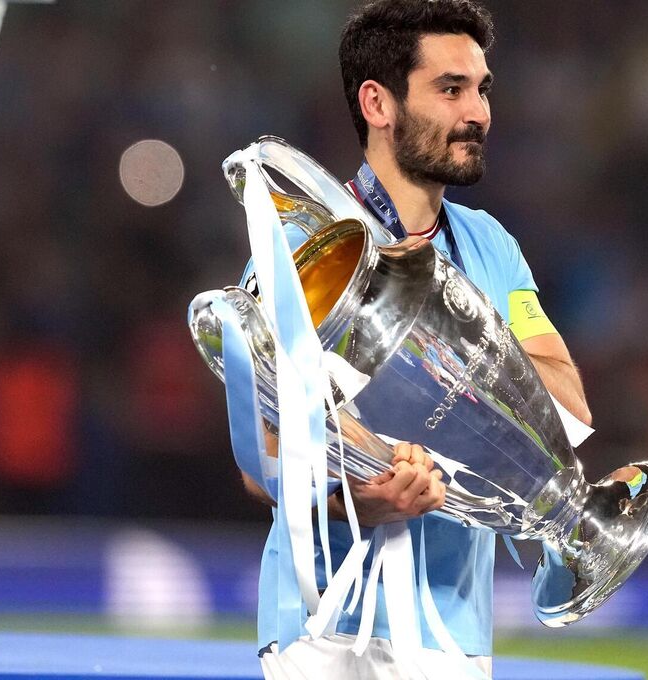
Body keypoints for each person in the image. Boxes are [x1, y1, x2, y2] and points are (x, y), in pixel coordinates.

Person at [241, 1, 592, 677]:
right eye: (450, 89)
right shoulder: (297, 249)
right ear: (379, 102)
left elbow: (569, 408)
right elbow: (260, 450)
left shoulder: (491, 246)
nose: (479, 113)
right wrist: (357, 498)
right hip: (320, 628)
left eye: (482, 89)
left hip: (454, 637)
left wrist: (448, 347)